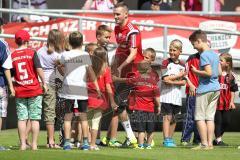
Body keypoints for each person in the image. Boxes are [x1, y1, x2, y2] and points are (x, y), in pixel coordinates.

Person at [57, 31, 101, 150]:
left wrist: (63, 74)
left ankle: (66, 143)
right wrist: (97, 88)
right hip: (81, 91)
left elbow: (58, 65)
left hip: (67, 90)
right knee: (83, 117)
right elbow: (91, 72)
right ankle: (86, 143)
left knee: (67, 117)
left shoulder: (65, 55)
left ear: (69, 42)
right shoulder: (85, 55)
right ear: (82, 42)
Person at [111, 2, 144, 147]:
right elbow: (120, 50)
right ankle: (133, 137)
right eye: (114, 14)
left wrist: (120, 67)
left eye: (117, 14)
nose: (115, 17)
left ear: (126, 14)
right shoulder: (117, 28)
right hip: (123, 72)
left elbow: (133, 53)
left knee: (125, 105)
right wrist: (114, 64)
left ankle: (136, 137)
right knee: (121, 105)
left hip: (134, 71)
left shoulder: (133, 30)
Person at [10, 29, 47, 150]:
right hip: (34, 90)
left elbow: (10, 73)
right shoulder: (32, 52)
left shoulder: (13, 55)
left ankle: (22, 145)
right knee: (35, 118)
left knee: (22, 119)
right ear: (27, 40)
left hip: (20, 90)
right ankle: (34, 145)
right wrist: (44, 82)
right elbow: (39, 69)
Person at [190, 30, 221, 150]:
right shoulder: (214, 54)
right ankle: (210, 144)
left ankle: (204, 144)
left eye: (194, 45)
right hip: (216, 88)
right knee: (209, 117)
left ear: (199, 41)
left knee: (199, 117)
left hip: (205, 90)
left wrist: (196, 71)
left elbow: (208, 73)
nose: (194, 48)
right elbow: (218, 72)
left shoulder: (204, 55)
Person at [37, 29, 65, 148]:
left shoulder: (39, 51)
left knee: (34, 114)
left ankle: (25, 140)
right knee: (50, 113)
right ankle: (51, 142)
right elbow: (62, 71)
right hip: (51, 84)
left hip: (39, 83)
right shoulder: (57, 54)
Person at [87, 47, 118, 150]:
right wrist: (112, 102)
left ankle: (86, 143)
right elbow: (108, 86)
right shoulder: (106, 69)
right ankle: (92, 144)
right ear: (105, 57)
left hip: (88, 98)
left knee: (87, 122)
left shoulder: (89, 67)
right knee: (95, 123)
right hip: (100, 99)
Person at [128, 54, 160, 150]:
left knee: (141, 130)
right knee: (150, 130)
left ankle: (141, 145)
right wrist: (158, 106)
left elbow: (130, 84)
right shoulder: (153, 81)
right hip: (150, 109)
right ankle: (149, 145)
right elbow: (157, 96)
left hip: (139, 109)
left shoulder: (137, 79)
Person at [160, 39, 186, 147]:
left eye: (174, 50)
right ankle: (166, 139)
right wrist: (178, 77)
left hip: (177, 97)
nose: (171, 52)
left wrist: (172, 81)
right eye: (170, 50)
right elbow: (165, 80)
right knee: (167, 117)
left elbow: (184, 82)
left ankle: (170, 139)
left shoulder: (183, 64)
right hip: (166, 96)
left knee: (175, 119)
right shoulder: (165, 62)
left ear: (180, 51)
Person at [213, 53, 238, 146]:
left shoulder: (231, 76)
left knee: (227, 122)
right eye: (218, 60)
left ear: (227, 63)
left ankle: (216, 139)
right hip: (216, 103)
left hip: (227, 104)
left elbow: (233, 90)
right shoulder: (215, 74)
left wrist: (232, 102)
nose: (219, 62)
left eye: (221, 60)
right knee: (218, 121)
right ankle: (219, 140)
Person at [0, 18, 15, 151]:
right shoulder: (3, 44)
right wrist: (11, 86)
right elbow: (6, 67)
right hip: (0, 84)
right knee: (0, 114)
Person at [180, 51, 201, 146]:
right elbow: (185, 74)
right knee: (190, 116)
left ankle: (198, 139)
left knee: (201, 117)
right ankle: (185, 139)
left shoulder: (210, 58)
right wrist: (191, 84)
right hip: (192, 91)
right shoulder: (191, 58)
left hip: (204, 92)